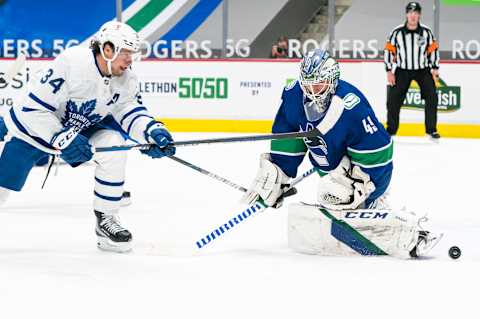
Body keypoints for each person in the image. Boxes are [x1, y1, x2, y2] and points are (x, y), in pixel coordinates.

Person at [242, 49, 441, 259]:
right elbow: (288, 134)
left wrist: (366, 185)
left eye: (317, 84)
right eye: (307, 83)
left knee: (332, 191)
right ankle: (346, 201)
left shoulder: (351, 107)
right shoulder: (293, 95)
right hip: (329, 164)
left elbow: (379, 151)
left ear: (332, 80)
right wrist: (279, 173)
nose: (311, 90)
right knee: (327, 189)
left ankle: (372, 203)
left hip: (364, 172)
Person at [0, 21, 175, 253]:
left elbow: (129, 110)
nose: (130, 59)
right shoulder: (72, 62)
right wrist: (61, 138)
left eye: (132, 53)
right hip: (35, 130)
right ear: (107, 49)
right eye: (125, 52)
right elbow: (32, 110)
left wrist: (152, 131)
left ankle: (106, 220)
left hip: (80, 127)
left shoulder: (126, 78)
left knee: (115, 145)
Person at [384, 2, 440, 139]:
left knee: (432, 97)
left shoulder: (426, 32)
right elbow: (389, 51)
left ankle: (431, 129)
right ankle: (391, 129)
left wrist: (435, 68)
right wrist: (389, 70)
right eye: (410, 12)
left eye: (415, 13)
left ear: (419, 15)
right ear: (406, 14)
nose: (413, 16)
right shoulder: (397, 32)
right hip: (402, 70)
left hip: (423, 70)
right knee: (393, 99)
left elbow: (433, 50)